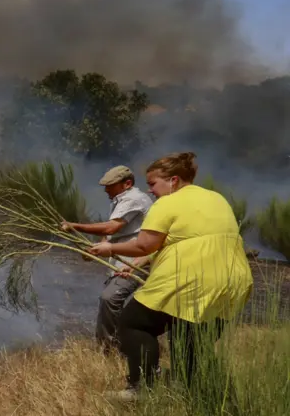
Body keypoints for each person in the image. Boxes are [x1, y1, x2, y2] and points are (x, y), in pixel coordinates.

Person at [88, 152, 253, 400]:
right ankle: (194, 393)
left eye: (153, 183)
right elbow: (187, 239)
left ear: (173, 180)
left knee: (133, 323)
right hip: (232, 278)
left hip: (191, 277)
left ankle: (142, 388)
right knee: (189, 335)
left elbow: (145, 244)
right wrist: (139, 264)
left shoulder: (167, 203)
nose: (151, 191)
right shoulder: (215, 198)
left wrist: (109, 248)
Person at [60, 165, 154, 351]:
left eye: (110, 185)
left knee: (109, 298)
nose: (106, 189)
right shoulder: (121, 199)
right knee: (112, 301)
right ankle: (119, 346)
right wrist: (95, 249)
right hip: (122, 263)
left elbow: (111, 227)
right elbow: (112, 232)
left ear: (127, 184)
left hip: (136, 262)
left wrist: (74, 226)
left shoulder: (133, 199)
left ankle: (109, 348)